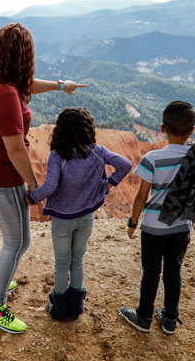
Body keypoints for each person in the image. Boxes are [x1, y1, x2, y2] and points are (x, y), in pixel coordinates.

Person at [0, 22, 86, 334]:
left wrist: (61, 86)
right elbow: (16, 149)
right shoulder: (5, 94)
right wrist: (35, 185)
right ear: (22, 57)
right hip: (1, 176)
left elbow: (24, 86)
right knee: (18, 242)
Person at [26, 108, 132, 321]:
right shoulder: (98, 152)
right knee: (78, 259)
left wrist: (32, 198)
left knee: (62, 262)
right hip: (86, 218)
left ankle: (59, 309)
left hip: (62, 220)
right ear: (87, 129)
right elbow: (125, 164)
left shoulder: (58, 156)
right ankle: (76, 308)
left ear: (61, 131)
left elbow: (50, 186)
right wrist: (108, 184)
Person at [120, 101, 195, 335]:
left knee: (151, 273)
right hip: (181, 226)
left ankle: (143, 316)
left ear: (163, 128)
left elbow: (142, 196)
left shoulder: (153, 158)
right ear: (191, 131)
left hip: (153, 228)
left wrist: (133, 223)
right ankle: (170, 319)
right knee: (174, 272)